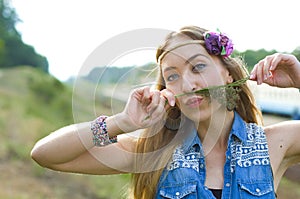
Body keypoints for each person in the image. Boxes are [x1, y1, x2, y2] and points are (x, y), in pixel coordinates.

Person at [31, 25, 300, 199]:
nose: (187, 84)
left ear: (227, 73)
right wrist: (120, 123)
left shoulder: (274, 142)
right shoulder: (156, 151)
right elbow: (45, 154)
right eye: (172, 76)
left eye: (198, 68)